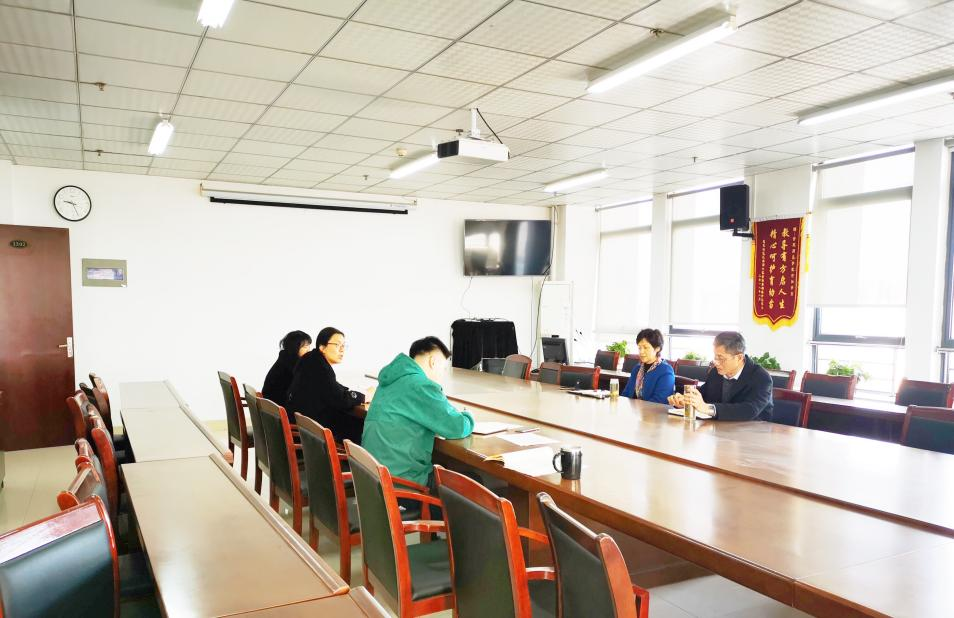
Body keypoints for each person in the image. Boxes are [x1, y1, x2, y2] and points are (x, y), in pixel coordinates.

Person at [362, 336, 474, 488]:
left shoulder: (390, 381)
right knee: (474, 481)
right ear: (433, 362)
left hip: (374, 481)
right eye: (443, 368)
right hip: (402, 485)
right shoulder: (421, 385)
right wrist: (468, 416)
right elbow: (457, 427)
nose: (442, 374)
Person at [667, 331, 773, 421]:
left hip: (753, 432)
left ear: (739, 358)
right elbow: (703, 397)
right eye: (715, 357)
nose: (716, 362)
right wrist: (686, 402)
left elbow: (749, 410)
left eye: (721, 358)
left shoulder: (761, 377)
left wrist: (707, 408)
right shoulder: (715, 373)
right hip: (719, 429)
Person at [286, 327, 367, 443]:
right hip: (314, 438)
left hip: (304, 429)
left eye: (344, 346)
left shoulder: (310, 359)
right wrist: (363, 397)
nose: (342, 350)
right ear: (322, 347)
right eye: (337, 345)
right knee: (361, 425)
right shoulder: (320, 368)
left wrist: (345, 391)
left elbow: (330, 386)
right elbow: (341, 400)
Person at [621, 328, 675, 404]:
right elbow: (626, 394)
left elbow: (660, 401)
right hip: (633, 410)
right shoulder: (637, 369)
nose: (641, 352)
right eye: (639, 348)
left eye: (645, 347)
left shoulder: (666, 371)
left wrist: (637, 408)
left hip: (652, 411)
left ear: (657, 348)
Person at [261, 330, 311, 408]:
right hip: (277, 409)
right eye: (305, 347)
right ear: (295, 347)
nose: (308, 350)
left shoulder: (285, 360)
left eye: (309, 346)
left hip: (271, 408)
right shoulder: (291, 365)